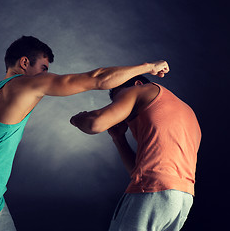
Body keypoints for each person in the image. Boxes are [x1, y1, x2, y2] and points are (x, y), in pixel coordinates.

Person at [0, 35, 169, 231]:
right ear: (24, 63)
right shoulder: (24, 84)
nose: (46, 75)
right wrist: (148, 67)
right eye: (43, 68)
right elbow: (97, 79)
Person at [70, 75, 201, 231]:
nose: (120, 111)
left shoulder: (140, 90)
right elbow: (138, 171)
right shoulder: (185, 111)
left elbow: (94, 123)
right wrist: (119, 138)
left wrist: (77, 119)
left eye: (119, 101)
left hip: (153, 191)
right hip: (182, 198)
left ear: (137, 84)